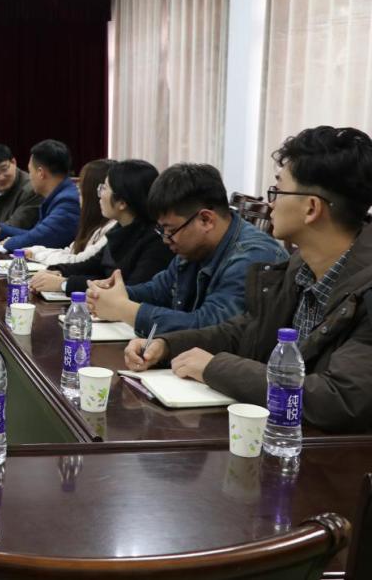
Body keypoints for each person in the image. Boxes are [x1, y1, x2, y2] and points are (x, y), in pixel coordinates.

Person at [126, 127, 372, 433]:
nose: (270, 205)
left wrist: (215, 368)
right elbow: (247, 330)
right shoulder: (300, 267)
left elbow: (338, 399)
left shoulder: (365, 289)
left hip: (332, 455)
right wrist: (167, 345)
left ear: (311, 208)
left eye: (277, 192)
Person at [88, 163, 286, 336]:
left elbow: (209, 329)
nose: (165, 240)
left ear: (206, 220)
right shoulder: (193, 247)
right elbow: (159, 290)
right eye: (162, 230)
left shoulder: (253, 257)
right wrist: (114, 294)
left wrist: (124, 308)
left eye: (170, 230)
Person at [30, 159, 171, 296]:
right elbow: (92, 266)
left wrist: (64, 284)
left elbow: (129, 290)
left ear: (122, 203)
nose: (100, 195)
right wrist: (56, 271)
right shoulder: (120, 228)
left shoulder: (155, 241)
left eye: (104, 188)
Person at [0, 139, 80, 252]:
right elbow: (35, 233)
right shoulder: (59, 195)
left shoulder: (68, 201)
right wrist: (1, 231)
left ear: (41, 173)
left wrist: (9, 243)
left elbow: (41, 238)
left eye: (30, 171)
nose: (29, 177)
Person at [29, 159, 116, 267]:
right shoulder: (97, 226)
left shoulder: (112, 228)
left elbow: (78, 261)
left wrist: (35, 254)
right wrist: (35, 251)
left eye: (104, 189)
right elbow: (71, 251)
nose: (78, 190)